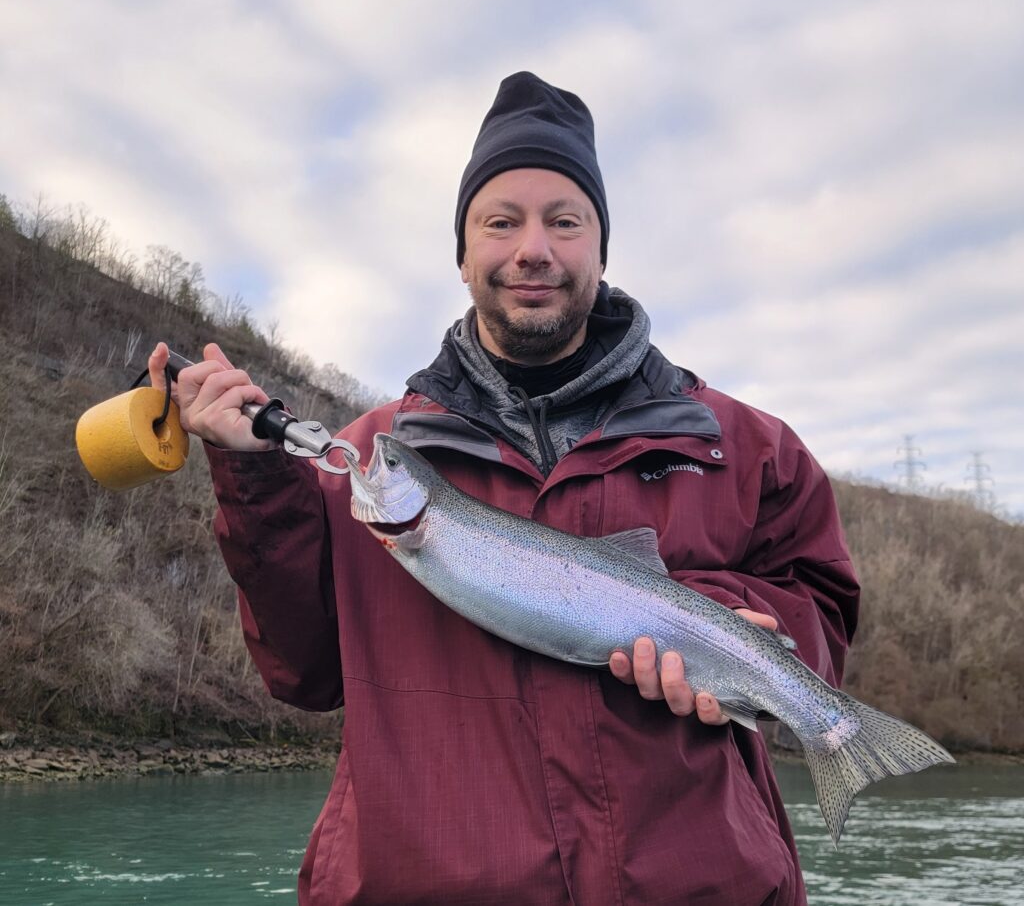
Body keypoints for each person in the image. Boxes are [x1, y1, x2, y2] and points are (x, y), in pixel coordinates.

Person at [150, 72, 858, 905]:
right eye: (501, 221)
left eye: (565, 221)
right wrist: (255, 470)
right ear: (462, 254)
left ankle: (848, 742)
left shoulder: (744, 446)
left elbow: (821, 607)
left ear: (599, 247)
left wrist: (725, 622)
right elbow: (302, 672)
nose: (534, 248)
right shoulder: (364, 455)